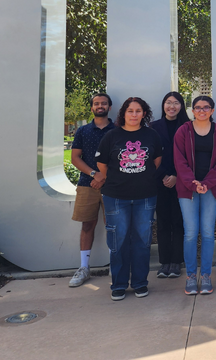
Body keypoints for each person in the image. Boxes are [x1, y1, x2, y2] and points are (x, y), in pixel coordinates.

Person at [96, 97, 162, 301]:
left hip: (145, 197)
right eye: (130, 111)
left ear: (144, 114)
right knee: (118, 241)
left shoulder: (152, 136)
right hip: (116, 197)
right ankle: (119, 284)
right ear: (123, 113)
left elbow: (156, 162)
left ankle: (140, 283)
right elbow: (102, 165)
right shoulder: (111, 136)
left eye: (138, 111)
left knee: (142, 242)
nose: (134, 115)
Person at [174, 95, 216, 295]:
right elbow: (179, 161)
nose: (202, 111)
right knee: (190, 233)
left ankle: (205, 276)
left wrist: (206, 183)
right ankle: (190, 276)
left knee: (207, 232)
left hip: (211, 189)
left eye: (206, 107)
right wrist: (193, 183)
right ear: (192, 110)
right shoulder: (183, 131)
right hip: (187, 189)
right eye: (198, 107)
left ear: (212, 111)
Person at [69, 93, 116, 287]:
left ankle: (117, 266)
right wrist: (93, 174)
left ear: (109, 107)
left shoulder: (118, 130)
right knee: (87, 225)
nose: (100, 106)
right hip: (87, 184)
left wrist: (103, 176)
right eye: (96, 103)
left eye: (103, 103)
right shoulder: (83, 131)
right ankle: (83, 268)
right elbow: (75, 158)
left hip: (112, 185)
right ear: (92, 108)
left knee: (113, 226)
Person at [150, 92, 190, 279]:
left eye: (176, 103)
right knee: (163, 222)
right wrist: (165, 175)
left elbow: (190, 156)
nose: (172, 106)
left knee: (179, 221)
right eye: (168, 103)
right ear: (163, 105)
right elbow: (150, 155)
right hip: (160, 181)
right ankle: (164, 262)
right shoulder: (153, 127)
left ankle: (177, 261)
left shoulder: (188, 127)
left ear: (181, 106)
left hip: (182, 182)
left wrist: (176, 175)